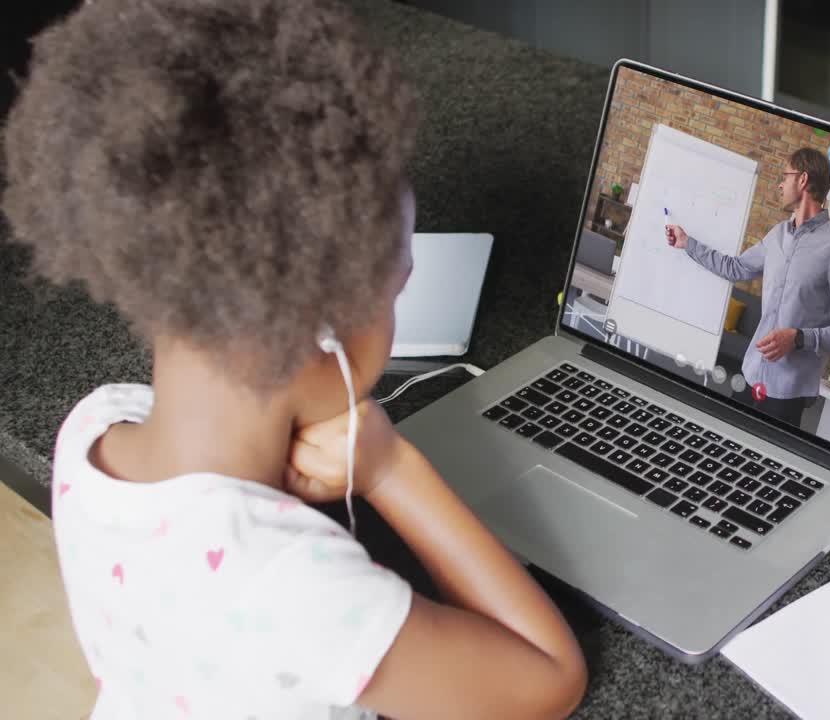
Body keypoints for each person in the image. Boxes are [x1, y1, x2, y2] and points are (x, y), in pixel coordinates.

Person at [1, 1, 587, 718]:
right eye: (396, 284)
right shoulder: (295, 588)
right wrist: (390, 467)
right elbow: (549, 680)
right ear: (328, 328)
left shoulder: (91, 428)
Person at [665, 148, 830, 426]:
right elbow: (734, 267)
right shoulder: (777, 235)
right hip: (751, 375)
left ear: (803, 180)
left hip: (788, 393)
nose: (780, 185)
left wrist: (798, 338)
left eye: (785, 176)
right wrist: (688, 243)